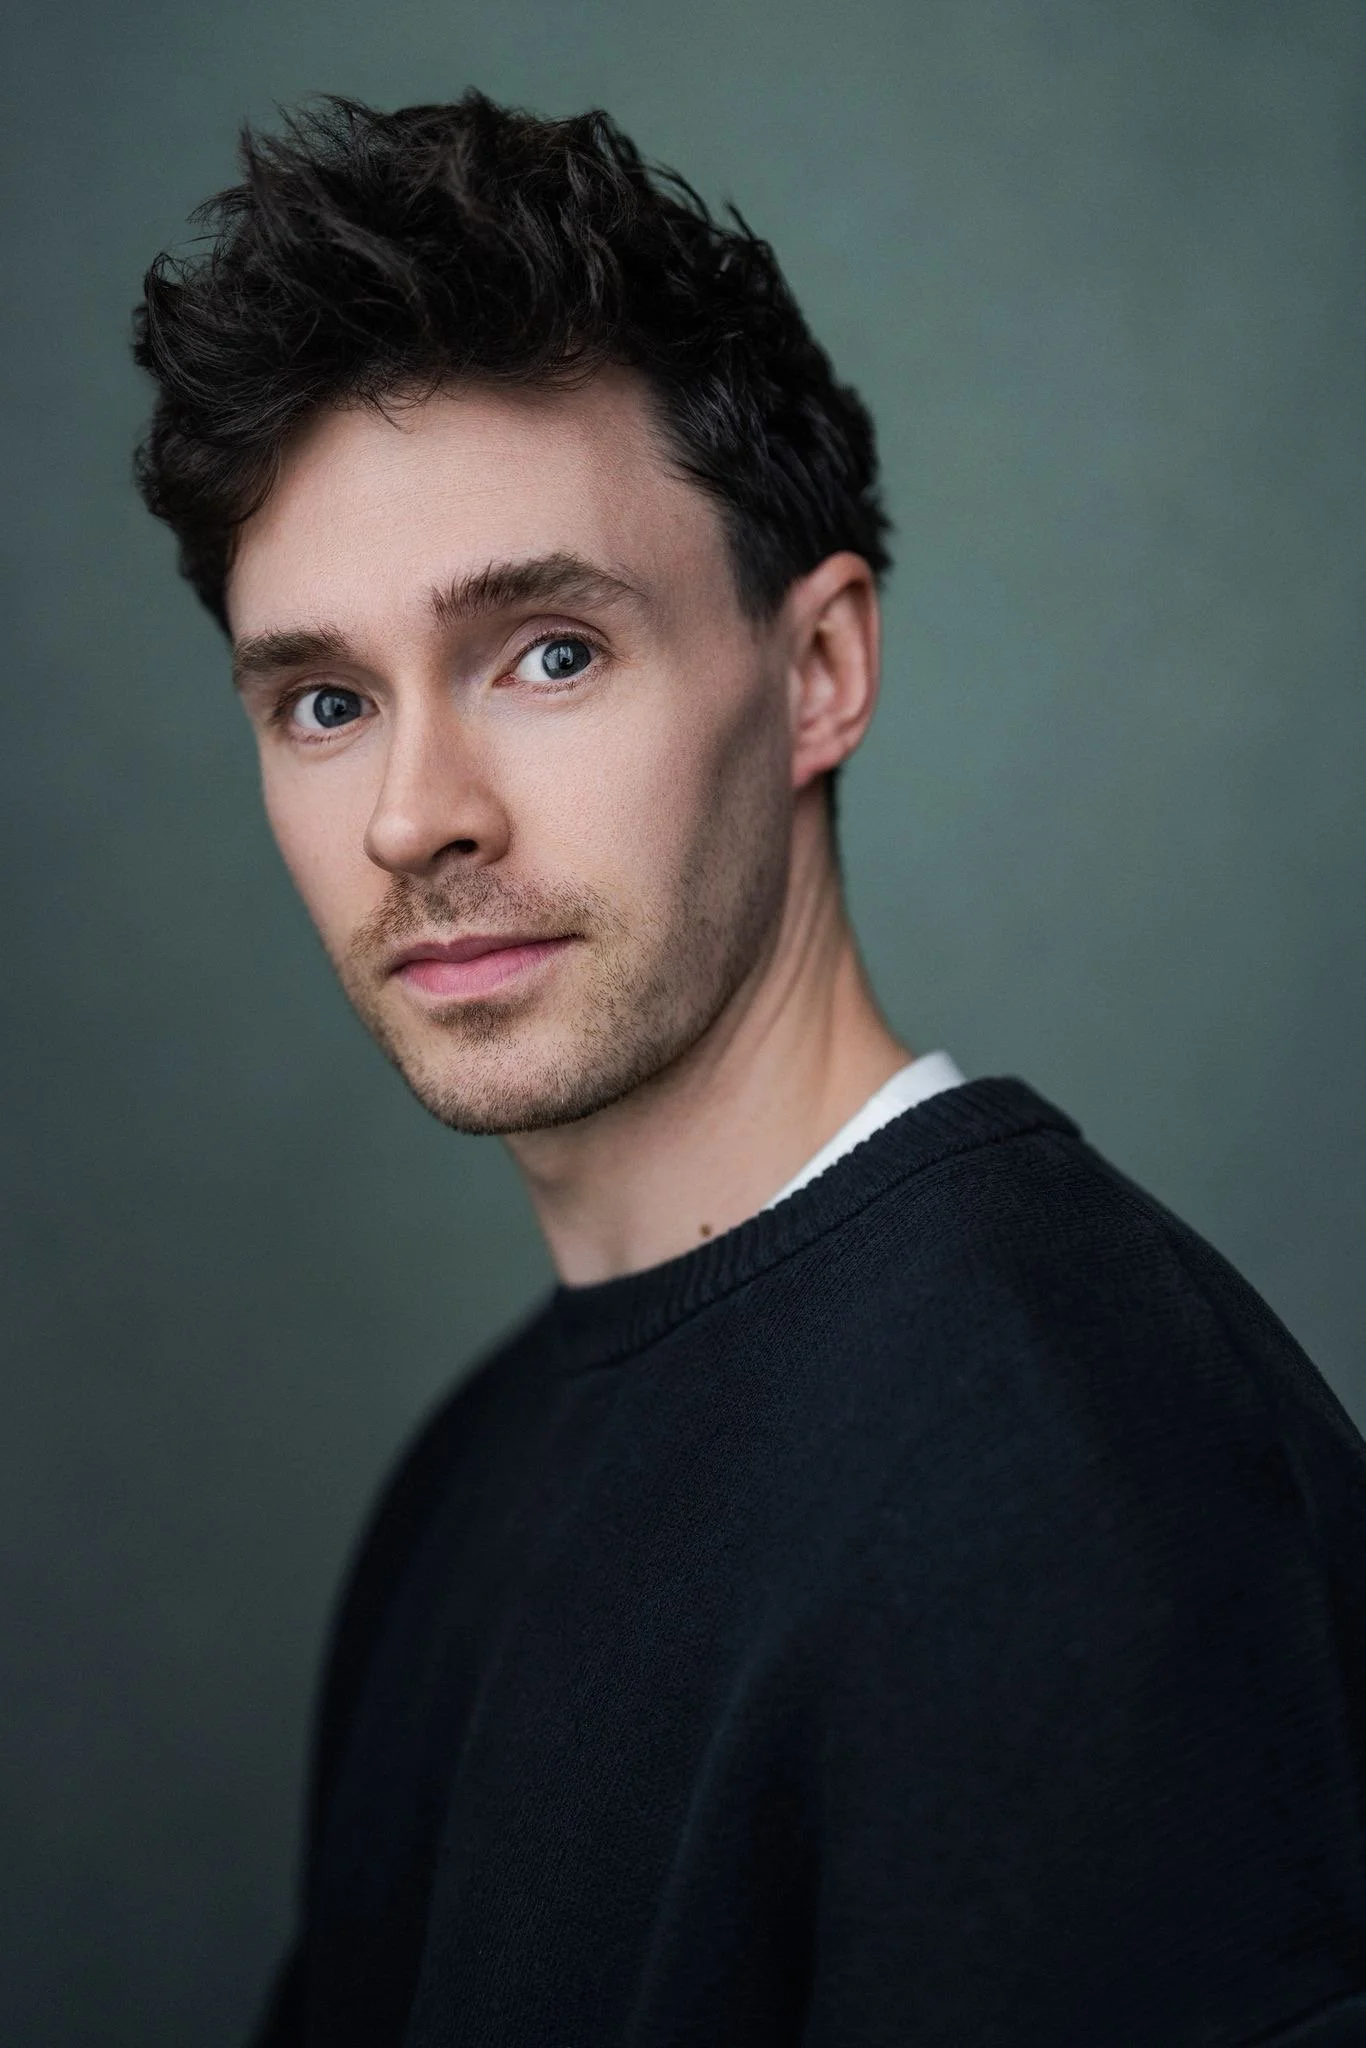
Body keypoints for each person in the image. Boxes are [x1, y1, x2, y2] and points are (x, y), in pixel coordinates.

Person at [131, 91, 1366, 2048]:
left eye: (547, 650)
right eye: (325, 698)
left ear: (816, 673)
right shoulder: (470, 1476)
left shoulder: (1076, 1474)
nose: (411, 816)